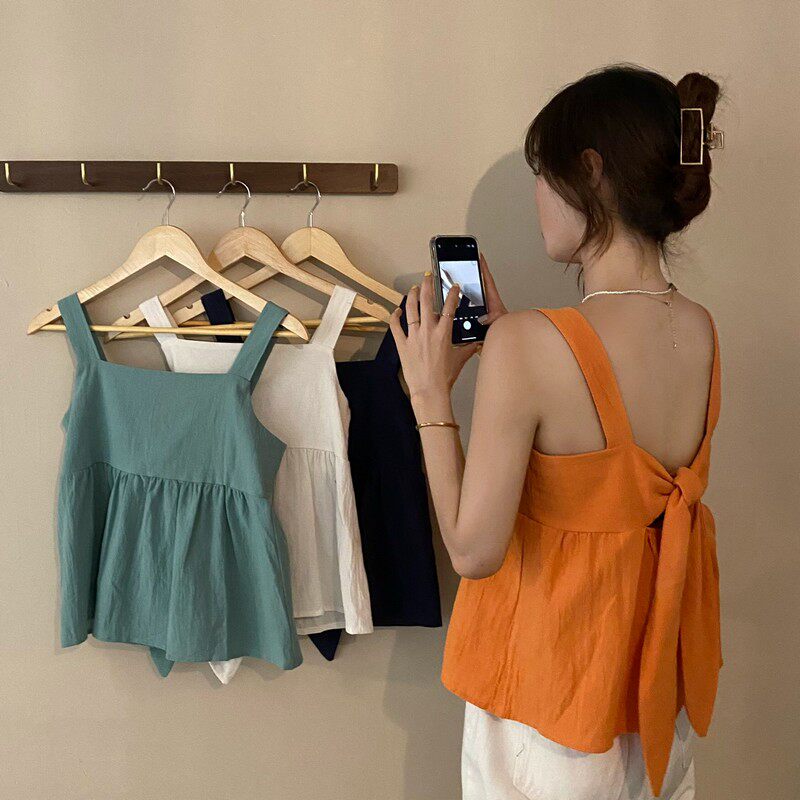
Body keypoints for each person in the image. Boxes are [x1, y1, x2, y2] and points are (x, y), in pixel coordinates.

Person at [389, 65, 724, 800]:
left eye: (543, 173)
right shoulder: (698, 328)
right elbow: (610, 480)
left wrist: (430, 396)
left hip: (551, 704)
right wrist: (516, 346)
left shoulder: (533, 347)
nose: (537, 195)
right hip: (651, 700)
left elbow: (473, 551)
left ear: (591, 171)